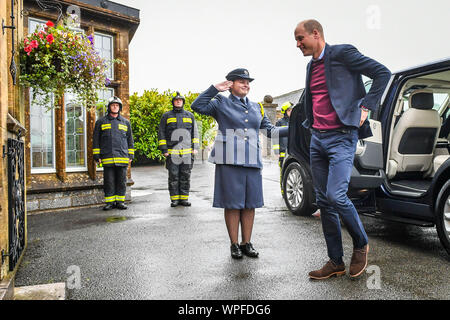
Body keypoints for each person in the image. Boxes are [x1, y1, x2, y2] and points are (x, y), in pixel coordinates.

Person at [294, 19, 391, 279]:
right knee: (324, 201)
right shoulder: (310, 66)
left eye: (300, 38)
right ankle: (335, 261)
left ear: (316, 34)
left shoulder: (343, 53)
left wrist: (366, 105)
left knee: (337, 196)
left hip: (342, 137)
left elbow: (382, 72)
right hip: (318, 139)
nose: (297, 44)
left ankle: (361, 243)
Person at [191, 68, 289, 259]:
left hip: (251, 160)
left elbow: (270, 131)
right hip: (229, 160)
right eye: (241, 81)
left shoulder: (255, 107)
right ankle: (234, 243)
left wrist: (296, 129)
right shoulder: (220, 102)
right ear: (230, 84)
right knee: (233, 204)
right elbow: (197, 106)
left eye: (248, 82)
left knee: (250, 203)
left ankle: (247, 243)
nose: (246, 84)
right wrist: (214, 89)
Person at [158, 92, 199, 207]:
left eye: (180, 100)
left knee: (185, 175)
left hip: (187, 153)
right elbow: (161, 133)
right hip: (172, 153)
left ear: (183, 102)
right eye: (176, 100)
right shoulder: (166, 116)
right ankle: (174, 199)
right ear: (173, 102)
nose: (178, 101)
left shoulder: (190, 115)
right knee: (174, 176)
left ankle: (184, 199)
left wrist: (195, 147)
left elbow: (194, 132)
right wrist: (164, 149)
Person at [93, 96, 134, 210]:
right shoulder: (101, 122)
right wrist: (97, 155)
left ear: (119, 108)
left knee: (122, 180)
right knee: (109, 181)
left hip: (122, 157)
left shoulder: (126, 122)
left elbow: (130, 140)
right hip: (107, 157)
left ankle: (120, 202)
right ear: (109, 107)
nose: (115, 107)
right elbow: (96, 140)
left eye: (117, 105)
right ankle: (110, 202)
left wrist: (131, 155)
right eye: (113, 105)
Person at [273, 101, 293, 168]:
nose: (291, 112)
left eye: (292, 110)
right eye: (289, 110)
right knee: (283, 171)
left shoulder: (294, 121)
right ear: (284, 112)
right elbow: (275, 137)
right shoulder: (279, 122)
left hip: (292, 151)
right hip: (282, 152)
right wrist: (276, 151)